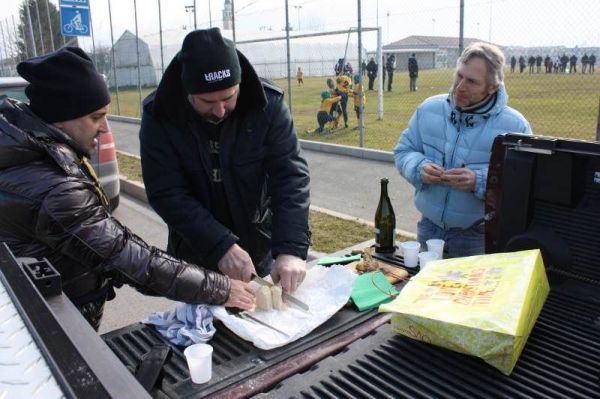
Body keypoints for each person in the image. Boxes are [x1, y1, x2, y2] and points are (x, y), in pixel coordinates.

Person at [0, 47, 256, 331]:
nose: (104, 128)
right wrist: (222, 288)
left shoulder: (29, 149)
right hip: (52, 327)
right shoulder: (53, 189)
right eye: (96, 117)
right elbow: (131, 259)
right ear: (60, 117)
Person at [139, 28, 310, 294]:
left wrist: (290, 248)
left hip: (258, 251)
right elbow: (166, 192)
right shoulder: (161, 115)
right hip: (196, 260)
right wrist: (220, 245)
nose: (219, 110)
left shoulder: (267, 105)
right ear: (188, 91)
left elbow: (290, 175)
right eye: (207, 101)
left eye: (229, 97)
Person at [394, 42, 531, 258]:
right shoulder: (429, 108)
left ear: (493, 87)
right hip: (429, 228)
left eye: (472, 82)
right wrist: (419, 168)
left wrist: (480, 181)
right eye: (459, 76)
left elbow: (523, 183)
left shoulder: (515, 127)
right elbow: (404, 151)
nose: (460, 87)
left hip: (477, 235)